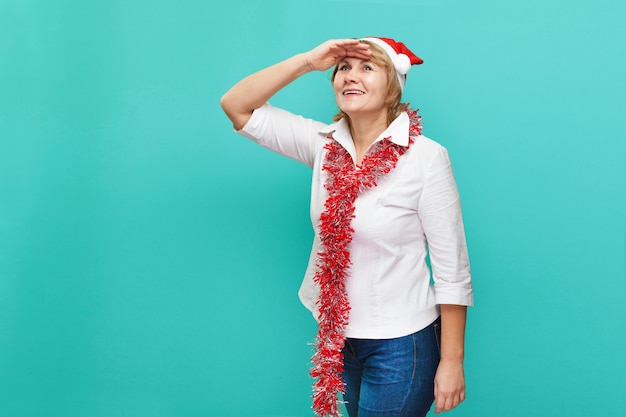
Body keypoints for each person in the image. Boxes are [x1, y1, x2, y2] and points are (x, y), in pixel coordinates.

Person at [220, 37, 474, 417]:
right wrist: (308, 60)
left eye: (367, 67)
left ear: (394, 86)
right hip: (340, 338)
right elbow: (236, 105)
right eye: (344, 68)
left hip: (402, 343)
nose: (350, 77)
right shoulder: (323, 145)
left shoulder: (426, 158)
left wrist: (452, 362)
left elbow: (452, 269)